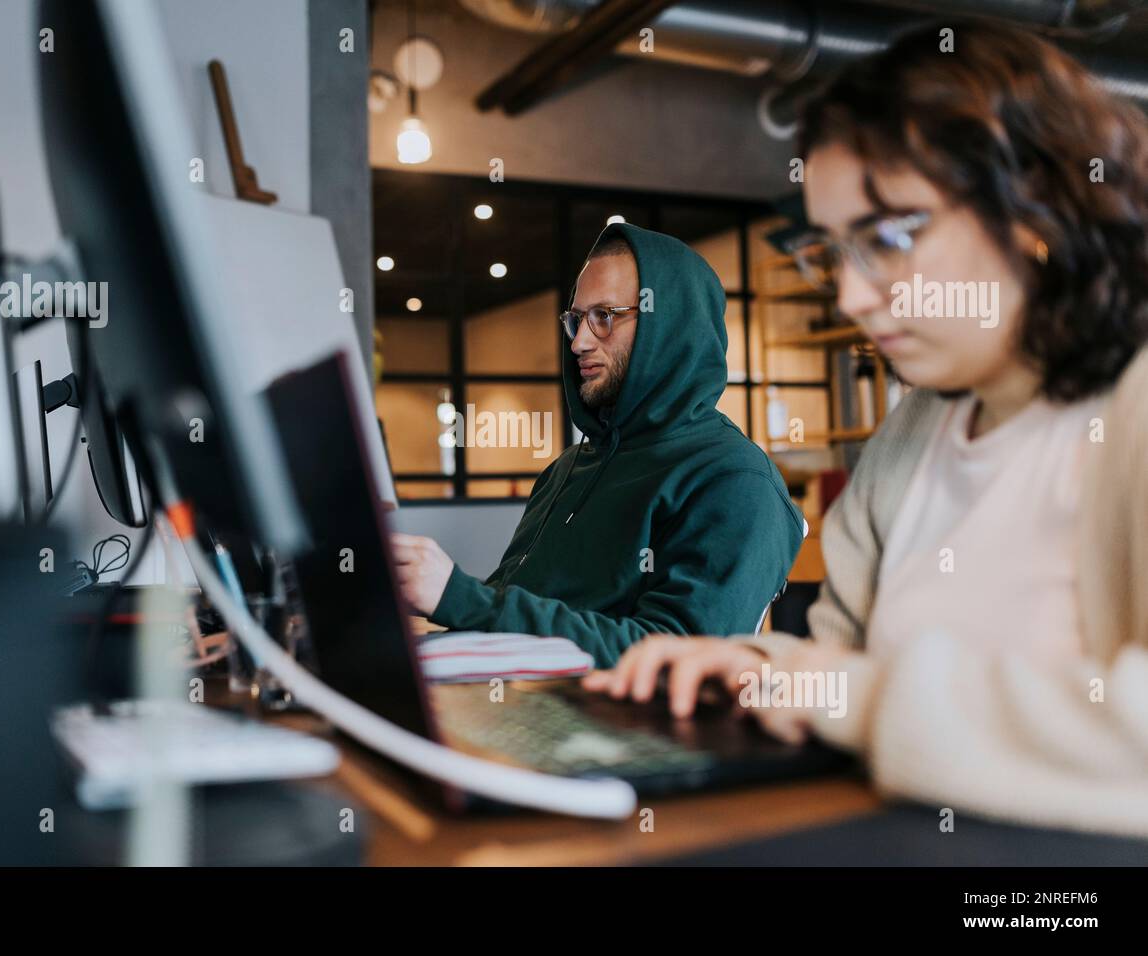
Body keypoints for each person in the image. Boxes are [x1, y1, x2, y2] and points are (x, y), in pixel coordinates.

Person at [585, 21, 1148, 836]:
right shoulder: (915, 431)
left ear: (1038, 210)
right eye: (836, 250)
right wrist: (750, 667)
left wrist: (863, 697)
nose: (850, 296)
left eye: (889, 236)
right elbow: (840, 671)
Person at [392, 223, 804, 667]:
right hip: (516, 704)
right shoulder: (568, 468)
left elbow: (678, 661)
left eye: (605, 316)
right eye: (576, 319)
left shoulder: (735, 480)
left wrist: (459, 598)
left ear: (669, 326)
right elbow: (514, 609)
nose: (579, 342)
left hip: (610, 732)